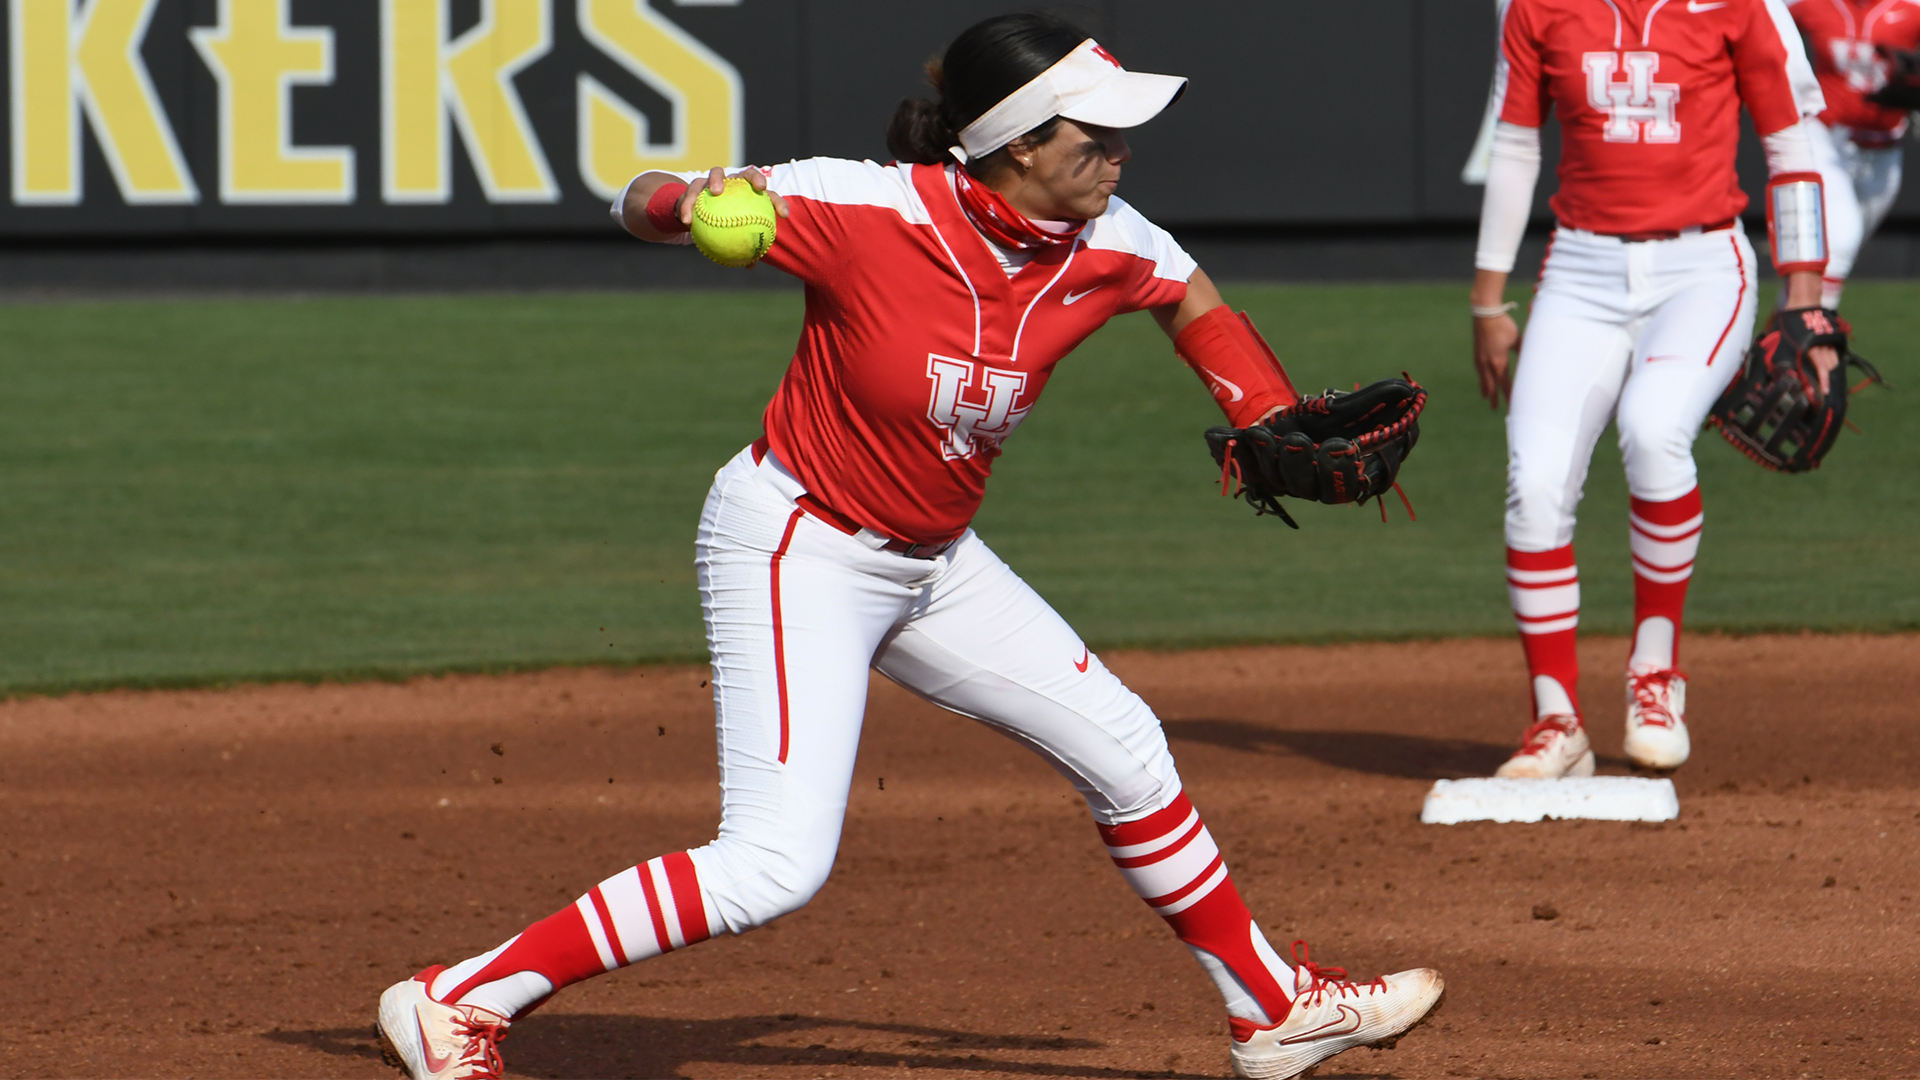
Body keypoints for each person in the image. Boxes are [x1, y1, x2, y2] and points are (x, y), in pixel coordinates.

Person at [374, 14, 1444, 1080]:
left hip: (933, 563)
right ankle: (457, 999)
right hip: (798, 543)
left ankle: (1273, 1012)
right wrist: (691, 204)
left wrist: (1262, 410)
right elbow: (637, 200)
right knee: (773, 866)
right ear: (1020, 141)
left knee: (1127, 749)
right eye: (1097, 133)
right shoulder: (862, 207)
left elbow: (1190, 299)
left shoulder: (1112, 239)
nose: (1123, 152)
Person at [1470, 0, 1841, 777]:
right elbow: (1513, 145)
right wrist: (1488, 300)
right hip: (1580, 267)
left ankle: (1656, 676)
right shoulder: (1538, 6)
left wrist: (1804, 298)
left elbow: (1792, 145)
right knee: (1534, 482)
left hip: (1704, 266)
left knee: (1653, 429)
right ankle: (1555, 721)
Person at [1783, 0, 1920, 309]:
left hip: (1883, 153)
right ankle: (1814, 344)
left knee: (1826, 258)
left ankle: (1781, 345)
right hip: (1825, 139)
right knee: (1840, 239)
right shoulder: (1812, 4)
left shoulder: (1911, 8)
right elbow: (1755, 27)